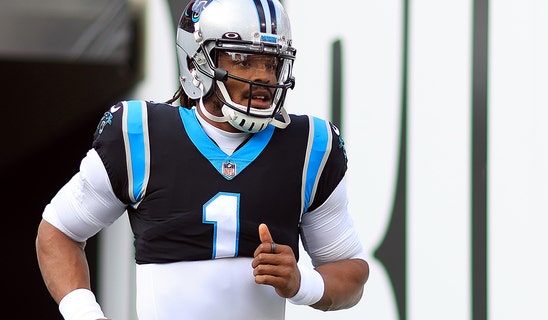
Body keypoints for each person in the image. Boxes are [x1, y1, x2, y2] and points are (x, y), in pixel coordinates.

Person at [35, 0, 369, 319]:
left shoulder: (310, 146)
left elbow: (352, 273)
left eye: (271, 62)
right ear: (198, 62)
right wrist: (85, 314)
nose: (264, 76)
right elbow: (58, 232)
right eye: (243, 59)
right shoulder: (142, 135)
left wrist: (303, 283)